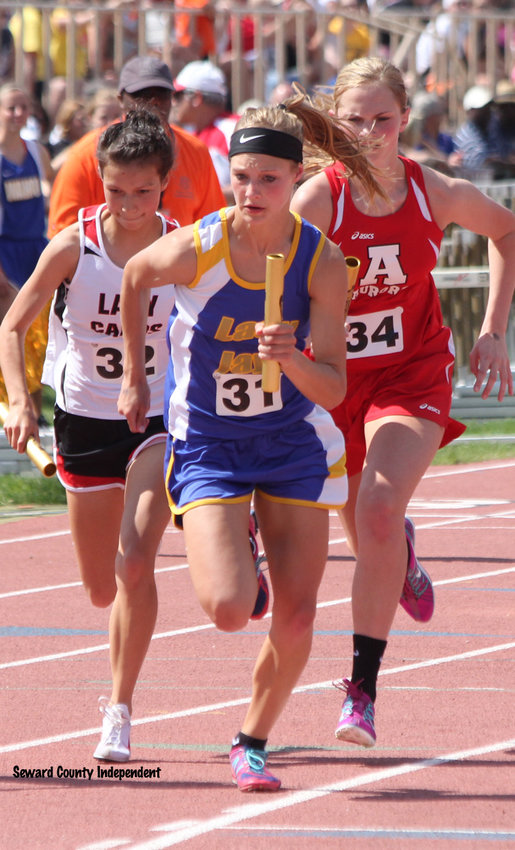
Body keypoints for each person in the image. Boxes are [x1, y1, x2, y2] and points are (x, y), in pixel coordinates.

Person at [117, 101, 381, 791]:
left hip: (293, 439)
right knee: (231, 609)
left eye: (268, 179)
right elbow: (134, 276)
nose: (251, 193)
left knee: (298, 614)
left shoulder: (322, 262)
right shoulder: (198, 246)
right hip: (209, 442)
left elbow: (330, 389)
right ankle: (246, 564)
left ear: (297, 179)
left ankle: (251, 740)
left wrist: (290, 357)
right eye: (240, 177)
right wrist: (140, 378)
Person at [290, 56, 515, 748]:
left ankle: (361, 691)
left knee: (379, 513)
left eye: (382, 120)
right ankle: (404, 562)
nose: (368, 133)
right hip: (335, 384)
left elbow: (505, 232)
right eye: (354, 120)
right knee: (369, 531)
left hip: (411, 375)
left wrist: (491, 331)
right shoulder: (316, 201)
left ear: (404, 120)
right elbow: (271, 282)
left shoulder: (435, 191)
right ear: (336, 122)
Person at [0, 109, 179, 763]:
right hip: (81, 421)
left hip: (156, 422)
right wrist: (21, 401)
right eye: (115, 191)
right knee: (101, 587)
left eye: (143, 192)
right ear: (97, 181)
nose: (129, 206)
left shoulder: (182, 247)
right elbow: (11, 327)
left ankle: (120, 710)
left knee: (135, 565)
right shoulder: (72, 246)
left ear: (164, 188)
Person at [47, 54, 225, 238]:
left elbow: (211, 231)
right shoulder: (85, 155)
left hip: (178, 263)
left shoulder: (196, 151)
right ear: (120, 99)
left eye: (160, 95)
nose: (152, 103)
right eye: (141, 95)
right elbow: (63, 234)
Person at [0, 83, 54, 417]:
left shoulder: (36, 151)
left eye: (24, 107)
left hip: (35, 248)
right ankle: (10, 412)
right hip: (5, 251)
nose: (20, 114)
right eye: (11, 108)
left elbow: (50, 188)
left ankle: (35, 414)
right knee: (8, 331)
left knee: (37, 336)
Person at [171, 59, 239, 201]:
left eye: (177, 95)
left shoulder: (232, 128)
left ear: (196, 97)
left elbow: (259, 183)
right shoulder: (191, 133)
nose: (173, 102)